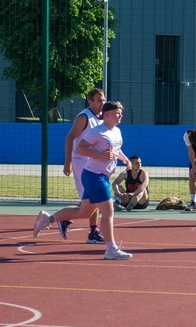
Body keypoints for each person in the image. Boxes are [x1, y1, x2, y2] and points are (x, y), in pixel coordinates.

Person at [34, 101, 133, 260]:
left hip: (101, 176)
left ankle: (48, 218)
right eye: (117, 113)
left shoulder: (117, 131)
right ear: (106, 114)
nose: (121, 115)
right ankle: (111, 249)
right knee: (108, 211)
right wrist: (101, 156)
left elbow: (116, 149)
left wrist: (125, 159)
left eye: (121, 112)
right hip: (94, 176)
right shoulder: (97, 132)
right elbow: (80, 148)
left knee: (84, 211)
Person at [61, 87, 106, 244]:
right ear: (90, 101)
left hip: (93, 161)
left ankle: (88, 229)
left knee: (93, 198)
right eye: (99, 100)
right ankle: (91, 231)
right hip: (81, 160)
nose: (103, 103)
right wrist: (68, 162)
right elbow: (69, 138)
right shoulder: (84, 118)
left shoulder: (101, 118)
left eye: (104, 100)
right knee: (93, 198)